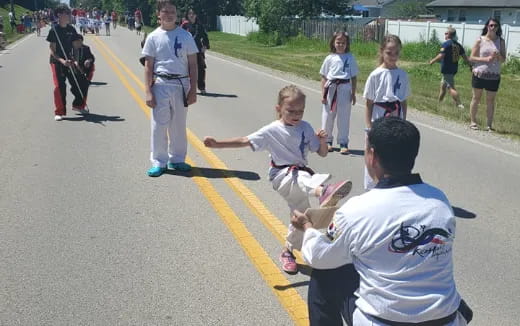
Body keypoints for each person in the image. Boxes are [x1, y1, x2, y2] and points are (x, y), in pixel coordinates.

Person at [293, 116, 473, 326]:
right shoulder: (439, 201)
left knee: (325, 275)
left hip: (385, 321)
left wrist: (307, 227)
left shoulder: (357, 209)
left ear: (372, 156)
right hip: (446, 319)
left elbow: (318, 257)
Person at [203, 85, 352, 274]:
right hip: (281, 175)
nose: (296, 115)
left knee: (301, 215)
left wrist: (322, 141)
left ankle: (288, 251)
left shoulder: (305, 127)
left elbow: (321, 153)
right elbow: (244, 141)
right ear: (279, 109)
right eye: (291, 111)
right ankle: (322, 192)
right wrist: (217, 144)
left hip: (299, 176)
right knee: (301, 176)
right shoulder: (272, 130)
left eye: (300, 111)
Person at [142, 0, 198, 177]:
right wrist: (148, 91)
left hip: (181, 85)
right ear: (159, 14)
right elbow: (148, 66)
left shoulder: (185, 36)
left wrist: (193, 89)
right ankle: (159, 161)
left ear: (176, 14)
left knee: (178, 126)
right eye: (165, 11)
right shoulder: (153, 37)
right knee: (159, 125)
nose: (169, 14)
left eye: (172, 11)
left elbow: (193, 65)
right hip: (161, 84)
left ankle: (177, 159)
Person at [363, 34, 409, 190]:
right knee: (374, 152)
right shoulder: (375, 75)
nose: (393, 56)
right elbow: (369, 103)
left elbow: (403, 101)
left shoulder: (402, 75)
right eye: (389, 53)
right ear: (382, 52)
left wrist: (403, 121)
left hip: (395, 116)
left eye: (396, 53)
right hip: (379, 115)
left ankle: (391, 184)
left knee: (393, 151)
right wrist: (369, 126)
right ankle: (370, 186)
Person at [320, 31, 359, 155]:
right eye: (338, 42)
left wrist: (353, 93)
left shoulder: (350, 57)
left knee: (344, 116)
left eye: (343, 42)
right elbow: (324, 76)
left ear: (347, 44)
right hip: (331, 89)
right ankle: (327, 141)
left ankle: (343, 142)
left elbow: (354, 77)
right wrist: (323, 94)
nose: (340, 45)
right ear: (333, 43)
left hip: (344, 88)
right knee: (328, 116)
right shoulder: (330, 58)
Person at [46, 4, 83, 121]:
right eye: (66, 13)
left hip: (69, 60)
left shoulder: (71, 29)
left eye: (69, 13)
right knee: (59, 86)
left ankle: (78, 105)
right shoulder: (54, 30)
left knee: (79, 82)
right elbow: (52, 50)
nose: (69, 15)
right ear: (59, 15)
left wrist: (76, 61)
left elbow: (76, 47)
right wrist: (62, 61)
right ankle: (59, 111)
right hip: (57, 61)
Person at [469, 18, 506, 132]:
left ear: (498, 27)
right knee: (476, 98)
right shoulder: (480, 40)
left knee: (490, 100)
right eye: (491, 25)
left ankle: (489, 125)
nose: (493, 28)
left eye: (495, 26)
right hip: (479, 73)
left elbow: (503, 59)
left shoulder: (501, 41)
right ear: (487, 27)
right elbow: (471, 58)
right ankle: (473, 121)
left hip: (494, 75)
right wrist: (486, 59)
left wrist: (498, 55)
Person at [429, 26, 470, 109]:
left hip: (447, 69)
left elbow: (441, 55)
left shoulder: (446, 44)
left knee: (450, 87)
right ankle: (439, 103)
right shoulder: (458, 45)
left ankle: (459, 104)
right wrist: (470, 65)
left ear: (449, 35)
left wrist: (432, 61)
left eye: (446, 33)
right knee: (443, 87)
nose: (445, 34)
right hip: (453, 68)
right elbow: (465, 57)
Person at [181, 8, 210, 95]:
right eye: (190, 13)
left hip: (197, 50)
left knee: (201, 70)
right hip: (186, 51)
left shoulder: (200, 26)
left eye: (193, 13)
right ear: (187, 15)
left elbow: (205, 37)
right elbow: (179, 37)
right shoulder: (184, 26)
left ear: (196, 15)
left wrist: (205, 46)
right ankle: (187, 87)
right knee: (186, 70)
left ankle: (201, 87)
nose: (191, 15)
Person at [69, 33, 95, 112]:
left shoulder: (86, 48)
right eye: (78, 41)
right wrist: (73, 62)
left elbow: (92, 57)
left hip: (81, 71)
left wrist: (88, 60)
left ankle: (78, 106)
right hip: (70, 70)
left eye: (81, 41)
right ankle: (77, 104)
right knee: (75, 89)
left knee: (84, 86)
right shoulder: (69, 49)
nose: (80, 43)